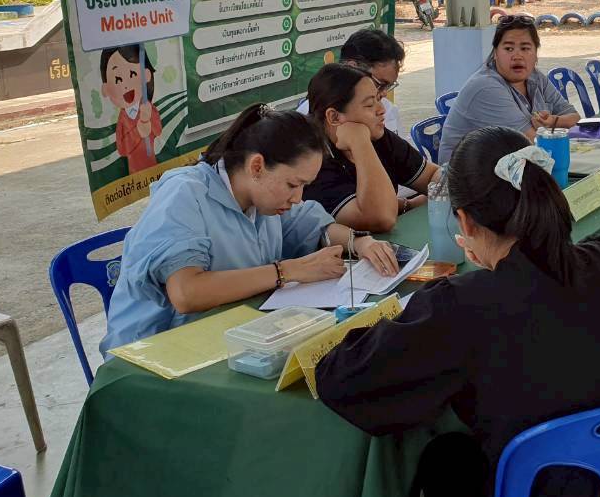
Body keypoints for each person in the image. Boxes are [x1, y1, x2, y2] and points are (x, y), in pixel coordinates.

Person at [314, 126, 600, 497]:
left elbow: (344, 378)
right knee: (457, 453)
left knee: (445, 460)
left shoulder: (463, 305)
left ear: (465, 222)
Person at [100, 104, 395, 355]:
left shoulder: (264, 202)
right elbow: (186, 293)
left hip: (226, 339)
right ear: (256, 167)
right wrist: (286, 272)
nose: (298, 197)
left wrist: (359, 242)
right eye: (293, 184)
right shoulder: (185, 195)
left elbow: (312, 224)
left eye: (304, 185)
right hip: (153, 356)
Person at [303, 63, 439, 235]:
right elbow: (382, 219)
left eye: (378, 99)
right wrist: (360, 142)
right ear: (334, 116)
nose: (381, 110)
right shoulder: (312, 161)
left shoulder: (378, 136)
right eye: (369, 105)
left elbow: (432, 176)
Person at [437, 15, 581, 164]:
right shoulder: (486, 88)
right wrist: (556, 129)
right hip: (467, 180)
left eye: (525, 48)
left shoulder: (536, 78)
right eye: (508, 48)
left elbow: (575, 118)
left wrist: (552, 122)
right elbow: (534, 145)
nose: (517, 56)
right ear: (495, 53)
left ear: (536, 54)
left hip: (512, 168)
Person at [100, 44, 162, 175]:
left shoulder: (148, 109)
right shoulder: (122, 119)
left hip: (153, 167)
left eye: (133, 74)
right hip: (133, 174)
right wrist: (138, 131)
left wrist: (147, 121)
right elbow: (122, 149)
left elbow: (158, 130)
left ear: (146, 75)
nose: (126, 86)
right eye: (117, 79)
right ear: (106, 89)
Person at [339, 28, 407, 135]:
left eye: (388, 86)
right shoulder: (314, 115)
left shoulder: (388, 111)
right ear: (351, 68)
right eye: (380, 84)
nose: (384, 93)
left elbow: (405, 150)